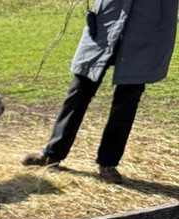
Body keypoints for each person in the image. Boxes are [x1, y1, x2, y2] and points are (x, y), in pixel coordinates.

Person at [22, 0, 179, 184]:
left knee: (127, 98)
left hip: (147, 25)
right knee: (79, 89)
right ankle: (52, 154)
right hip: (108, 18)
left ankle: (108, 163)